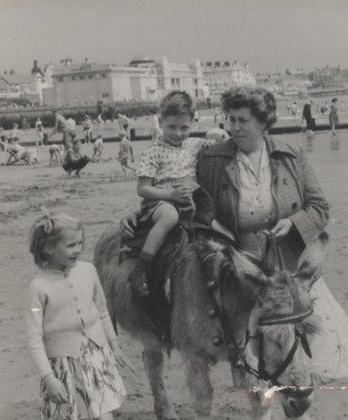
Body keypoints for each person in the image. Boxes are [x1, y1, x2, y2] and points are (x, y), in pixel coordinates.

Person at [121, 87, 348, 384]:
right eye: (230, 119)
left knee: (302, 353)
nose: (234, 127)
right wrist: (139, 214)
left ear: (264, 122)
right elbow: (179, 191)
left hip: (288, 266)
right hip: (241, 268)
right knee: (251, 348)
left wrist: (293, 223)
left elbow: (319, 207)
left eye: (242, 120)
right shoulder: (213, 160)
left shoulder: (293, 157)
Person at [27, 210, 131, 420]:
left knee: (104, 410)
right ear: (48, 248)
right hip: (63, 366)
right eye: (71, 245)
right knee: (73, 414)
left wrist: (114, 346)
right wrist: (48, 378)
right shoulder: (38, 287)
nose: (78, 250)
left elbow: (102, 311)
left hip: (97, 356)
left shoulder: (88, 270)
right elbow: (34, 339)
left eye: (80, 243)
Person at [127, 91, 218, 297]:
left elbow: (217, 143)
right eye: (171, 127)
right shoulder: (153, 151)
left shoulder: (193, 144)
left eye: (184, 128)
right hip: (161, 200)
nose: (178, 133)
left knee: (211, 218)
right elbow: (142, 189)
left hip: (191, 197)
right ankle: (141, 268)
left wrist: (223, 135)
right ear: (160, 122)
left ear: (192, 124)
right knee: (170, 216)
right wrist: (170, 195)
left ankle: (210, 262)